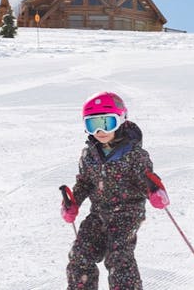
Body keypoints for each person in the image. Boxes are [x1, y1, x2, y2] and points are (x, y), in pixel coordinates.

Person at [59, 91, 170, 290]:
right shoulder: (89, 155)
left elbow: (147, 179)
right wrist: (73, 202)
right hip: (99, 213)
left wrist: (155, 193)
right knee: (79, 255)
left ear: (121, 120)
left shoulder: (134, 154)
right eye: (93, 124)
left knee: (118, 256)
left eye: (107, 123)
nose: (100, 131)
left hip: (127, 214)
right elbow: (84, 182)